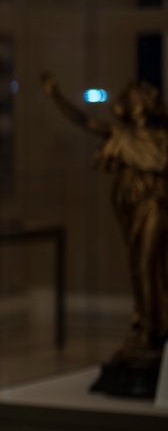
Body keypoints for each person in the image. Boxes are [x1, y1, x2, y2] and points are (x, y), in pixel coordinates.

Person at [41, 72, 168, 383]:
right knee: (142, 267)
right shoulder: (121, 136)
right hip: (132, 213)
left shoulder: (161, 139)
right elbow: (85, 121)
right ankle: (147, 327)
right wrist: (56, 95)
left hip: (154, 208)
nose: (135, 101)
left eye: (139, 97)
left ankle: (153, 329)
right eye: (132, 97)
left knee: (146, 267)